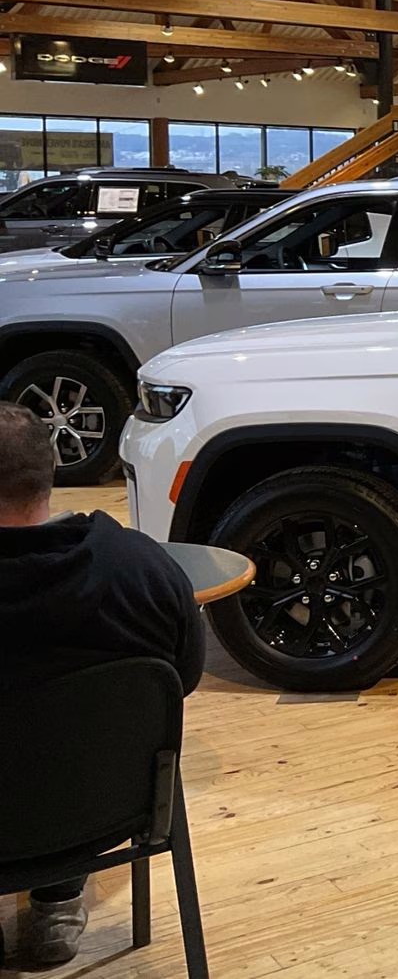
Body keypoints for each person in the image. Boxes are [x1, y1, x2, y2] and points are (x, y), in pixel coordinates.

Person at [0, 403, 204, 968]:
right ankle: (59, 898)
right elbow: (179, 681)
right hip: (106, 818)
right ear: (53, 469)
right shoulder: (141, 567)